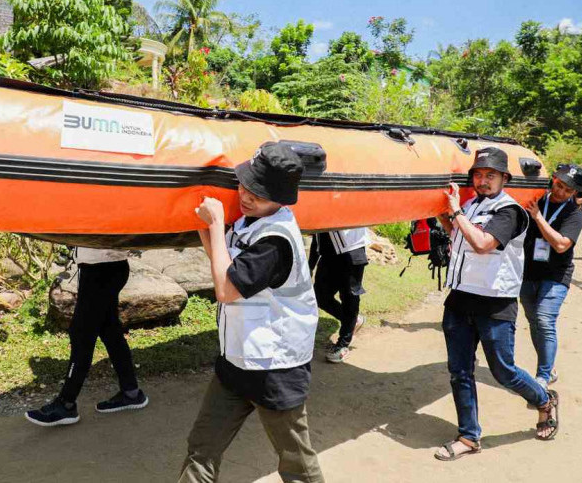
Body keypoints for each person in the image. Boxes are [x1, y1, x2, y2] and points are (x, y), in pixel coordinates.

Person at [179, 143, 324, 482]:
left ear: (280, 199)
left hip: (275, 369)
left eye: (256, 193)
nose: (245, 195)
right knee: (201, 448)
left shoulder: (275, 241)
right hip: (237, 361)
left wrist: (215, 226)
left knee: (296, 463)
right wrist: (205, 224)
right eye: (244, 185)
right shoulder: (251, 220)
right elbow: (224, 263)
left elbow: (226, 290)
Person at [433, 147, 560, 461]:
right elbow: (459, 236)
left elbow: (482, 243)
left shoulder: (510, 211)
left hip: (495, 304)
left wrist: (456, 213)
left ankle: (544, 399)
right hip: (460, 299)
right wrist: (443, 213)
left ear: (505, 178)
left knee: (503, 371)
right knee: (459, 371)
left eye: (490, 175)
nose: (483, 180)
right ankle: (468, 436)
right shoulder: (471, 204)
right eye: (478, 174)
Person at [26, 248, 147, 426]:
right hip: (106, 267)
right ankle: (131, 392)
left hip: (101, 270)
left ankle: (66, 404)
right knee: (110, 330)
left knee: (81, 334)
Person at [520, 164, 582, 390]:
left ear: (574, 193)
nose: (561, 192)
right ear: (553, 179)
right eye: (559, 185)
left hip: (557, 275)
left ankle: (543, 376)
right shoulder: (536, 198)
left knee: (545, 321)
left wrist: (538, 217)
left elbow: (560, 245)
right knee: (535, 322)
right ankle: (548, 367)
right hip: (528, 272)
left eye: (568, 190)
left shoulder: (574, 214)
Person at [309, 228, 368, 363]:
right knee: (320, 296)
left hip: (352, 251)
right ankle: (353, 322)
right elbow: (317, 232)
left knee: (349, 298)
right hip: (328, 255)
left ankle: (343, 344)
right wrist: (311, 264)